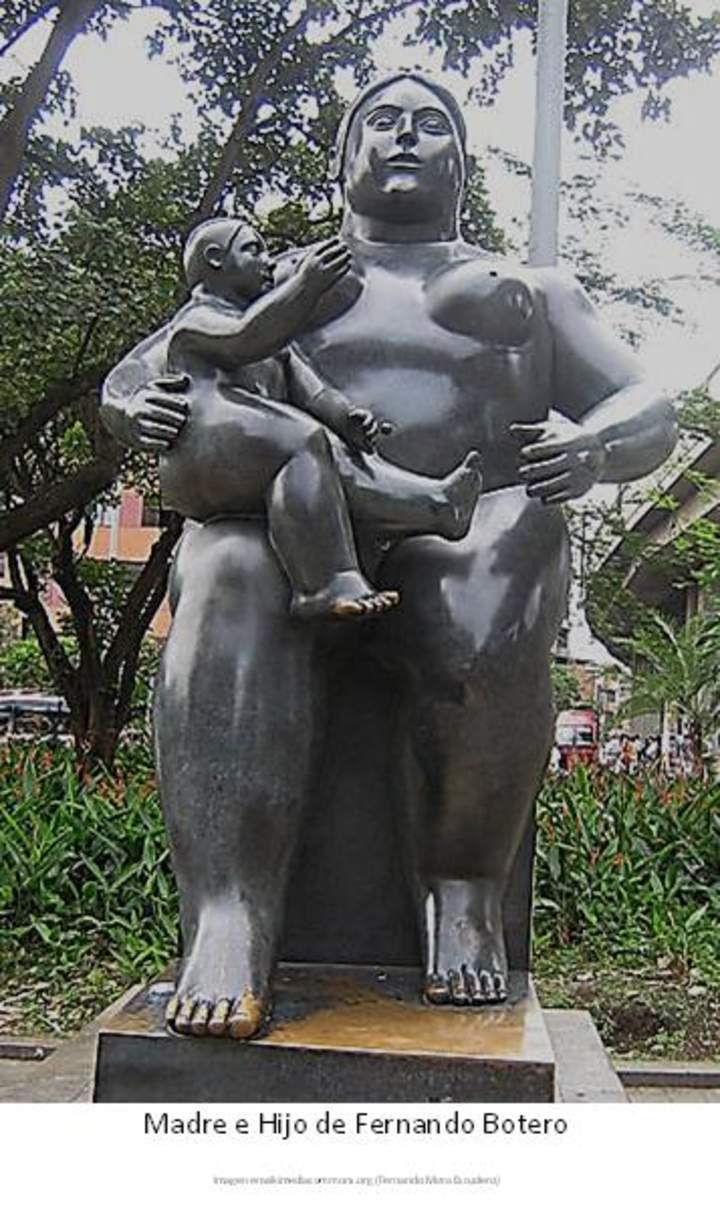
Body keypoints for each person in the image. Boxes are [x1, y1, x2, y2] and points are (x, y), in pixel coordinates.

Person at [102, 71, 677, 1039]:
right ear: (344, 159)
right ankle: (229, 917)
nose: (406, 136)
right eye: (382, 121)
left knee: (491, 583)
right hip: (298, 524)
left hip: (474, 520)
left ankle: (464, 890)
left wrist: (592, 445)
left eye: (430, 125)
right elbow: (149, 366)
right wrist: (135, 405)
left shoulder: (529, 291)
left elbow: (644, 403)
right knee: (227, 571)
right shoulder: (286, 280)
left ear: (464, 162)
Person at [159, 216, 482, 619]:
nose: (268, 262)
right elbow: (243, 339)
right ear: (215, 259)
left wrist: (347, 418)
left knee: (328, 450)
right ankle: (325, 584)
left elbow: (314, 392)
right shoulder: (198, 319)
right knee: (302, 440)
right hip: (200, 453)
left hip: (249, 449)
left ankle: (437, 504)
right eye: (253, 250)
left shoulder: (276, 341)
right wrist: (305, 285)